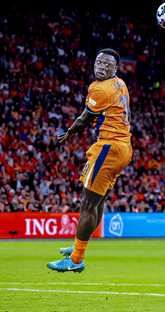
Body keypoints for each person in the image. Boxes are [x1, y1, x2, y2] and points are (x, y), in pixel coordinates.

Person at [46, 48, 132, 273]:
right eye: (99, 62)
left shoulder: (98, 88)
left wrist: (68, 133)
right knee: (98, 201)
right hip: (123, 147)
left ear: (116, 68)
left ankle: (76, 259)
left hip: (109, 147)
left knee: (88, 204)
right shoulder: (120, 84)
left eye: (107, 64)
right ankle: (78, 249)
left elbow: (85, 119)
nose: (101, 67)